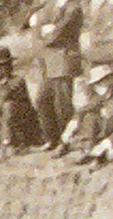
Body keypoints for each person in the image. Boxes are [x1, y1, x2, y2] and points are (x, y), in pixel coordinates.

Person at [30, 0, 84, 150]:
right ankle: (51, 138)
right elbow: (36, 28)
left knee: (63, 105)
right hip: (50, 64)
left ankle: (65, 142)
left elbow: (58, 35)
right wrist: (43, 29)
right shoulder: (51, 7)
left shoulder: (73, 8)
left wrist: (45, 32)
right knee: (42, 101)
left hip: (64, 62)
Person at [0, 47, 43, 156]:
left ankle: (8, 142)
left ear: (9, 66)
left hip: (22, 120)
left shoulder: (16, 81)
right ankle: (5, 142)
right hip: (5, 120)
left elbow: (5, 95)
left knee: (8, 106)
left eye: (2, 66)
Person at [59, 65, 113, 165]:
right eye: (97, 83)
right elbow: (85, 109)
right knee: (89, 117)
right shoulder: (99, 97)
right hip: (106, 129)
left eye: (103, 81)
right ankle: (86, 149)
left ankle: (101, 151)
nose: (101, 85)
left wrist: (107, 142)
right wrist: (73, 123)